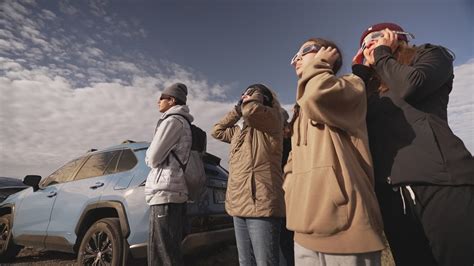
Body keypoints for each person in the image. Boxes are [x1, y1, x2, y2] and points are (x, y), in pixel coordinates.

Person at [354, 22, 474, 266]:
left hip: (440, 180)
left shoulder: (430, 55)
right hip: (391, 193)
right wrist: (362, 75)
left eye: (377, 36)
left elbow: (412, 85)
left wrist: (381, 56)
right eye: (364, 43)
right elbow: (354, 123)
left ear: (397, 36)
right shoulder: (372, 86)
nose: (369, 43)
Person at [283, 38, 385, 265]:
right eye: (294, 55)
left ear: (329, 54)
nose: (296, 59)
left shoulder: (350, 85)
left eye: (305, 51)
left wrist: (319, 64)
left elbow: (317, 95)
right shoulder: (300, 108)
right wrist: (290, 187)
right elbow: (293, 159)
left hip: (347, 230)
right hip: (303, 230)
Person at [211, 84, 285, 266]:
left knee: (265, 262)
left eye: (251, 94)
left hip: (260, 204)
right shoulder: (238, 131)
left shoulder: (273, 121)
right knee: (245, 261)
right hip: (238, 203)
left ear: (264, 98)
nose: (245, 96)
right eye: (244, 94)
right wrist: (236, 110)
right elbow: (216, 131)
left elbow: (252, 111)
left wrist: (256, 91)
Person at [144, 82, 193, 266]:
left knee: (161, 254)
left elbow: (153, 157)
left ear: (171, 100)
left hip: (165, 194)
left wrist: (147, 157)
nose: (158, 101)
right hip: (175, 191)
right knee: (170, 252)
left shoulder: (172, 121)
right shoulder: (183, 121)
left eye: (162, 98)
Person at [280, 108, 294, 266]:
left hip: (285, 194)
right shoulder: (292, 139)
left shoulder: (283, 142)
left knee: (285, 242)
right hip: (288, 193)